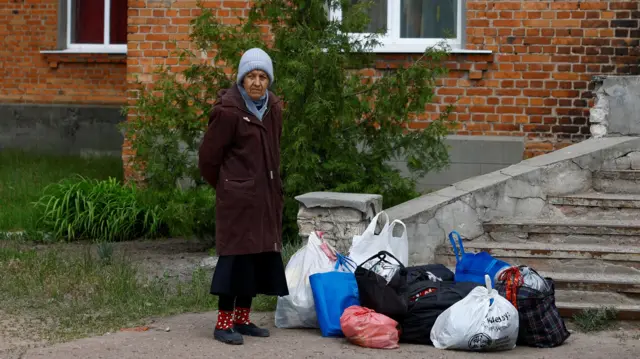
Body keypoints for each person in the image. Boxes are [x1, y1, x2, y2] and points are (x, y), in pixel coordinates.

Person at [198, 48, 288, 345]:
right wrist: (228, 186)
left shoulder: (273, 107)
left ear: (269, 80)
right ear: (241, 79)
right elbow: (209, 159)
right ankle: (223, 323)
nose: (257, 82)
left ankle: (242, 318)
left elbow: (273, 149)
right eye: (251, 76)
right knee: (235, 260)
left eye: (263, 76)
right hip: (237, 199)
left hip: (265, 196)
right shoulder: (228, 112)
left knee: (257, 257)